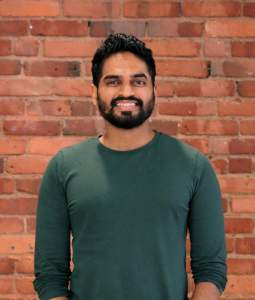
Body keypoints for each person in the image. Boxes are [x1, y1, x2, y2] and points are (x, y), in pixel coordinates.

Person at [33, 33, 227, 300]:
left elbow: (211, 271)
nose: (126, 92)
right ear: (94, 92)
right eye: (113, 81)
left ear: (153, 90)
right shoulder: (63, 168)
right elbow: (50, 276)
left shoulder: (193, 166)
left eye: (138, 81)